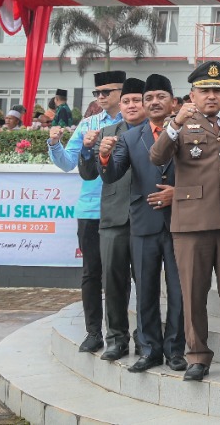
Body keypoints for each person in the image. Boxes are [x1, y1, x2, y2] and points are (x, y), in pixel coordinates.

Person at [150, 60, 220, 382]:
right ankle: (197, 356)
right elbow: (158, 157)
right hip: (191, 221)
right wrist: (174, 123)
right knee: (193, 292)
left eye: (217, 90)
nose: (211, 96)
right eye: (204, 90)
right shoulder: (180, 123)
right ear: (192, 94)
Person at [99, 73, 187, 373]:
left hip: (180, 223)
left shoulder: (189, 129)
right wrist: (104, 156)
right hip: (143, 222)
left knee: (178, 291)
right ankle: (149, 349)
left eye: (160, 96)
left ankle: (176, 350)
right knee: (146, 290)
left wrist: (180, 194)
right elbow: (112, 175)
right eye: (148, 98)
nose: (153, 102)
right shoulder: (129, 137)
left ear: (173, 102)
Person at [46, 70, 125, 355]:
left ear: (122, 92)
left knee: (125, 274)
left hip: (125, 208)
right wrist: (54, 143)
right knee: (92, 272)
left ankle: (127, 332)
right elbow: (68, 163)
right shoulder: (89, 124)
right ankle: (94, 331)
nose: (101, 97)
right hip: (92, 208)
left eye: (107, 92)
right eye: (97, 93)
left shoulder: (133, 120)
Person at [78, 80, 141, 362]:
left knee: (147, 283)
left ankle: (147, 337)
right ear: (121, 105)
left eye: (136, 101)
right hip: (114, 216)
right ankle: (116, 338)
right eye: (126, 101)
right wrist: (88, 149)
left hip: (148, 217)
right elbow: (89, 173)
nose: (131, 106)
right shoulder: (105, 133)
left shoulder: (160, 132)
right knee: (113, 282)